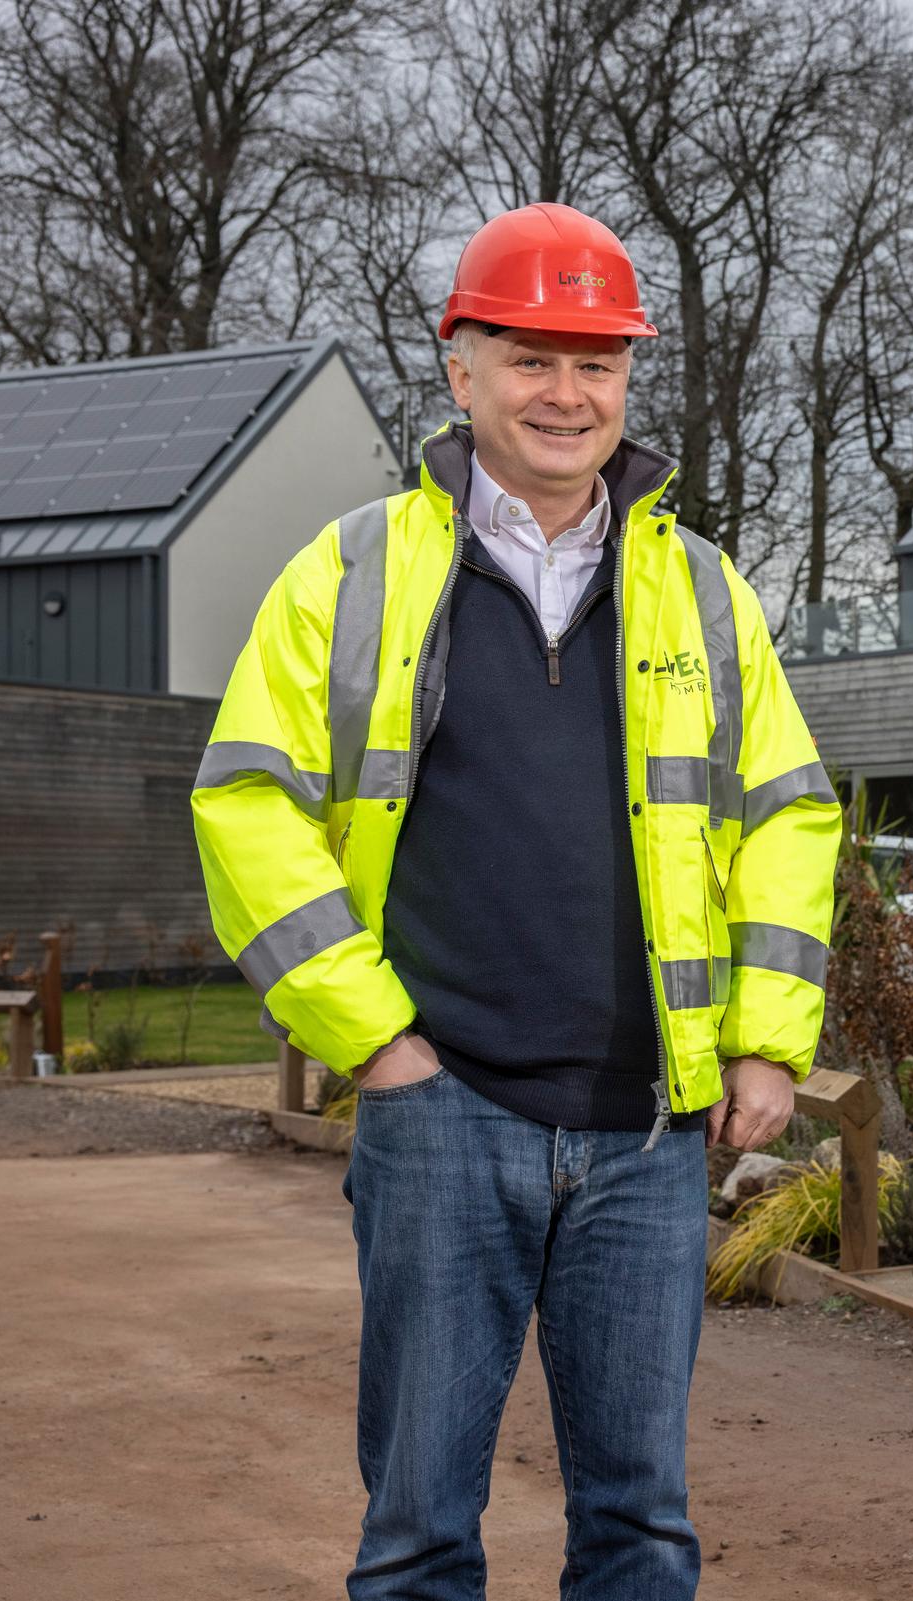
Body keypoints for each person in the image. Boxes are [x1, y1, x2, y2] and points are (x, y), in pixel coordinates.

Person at [190, 201, 840, 1599]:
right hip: (443, 1114)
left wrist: (766, 1038)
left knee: (642, 1530)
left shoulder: (708, 594)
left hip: (651, 1130)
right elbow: (246, 799)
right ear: (460, 371)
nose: (567, 393)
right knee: (421, 1528)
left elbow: (785, 812)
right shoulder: (350, 575)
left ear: (627, 383)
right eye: (531, 356)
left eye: (597, 362)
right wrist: (376, 1045)